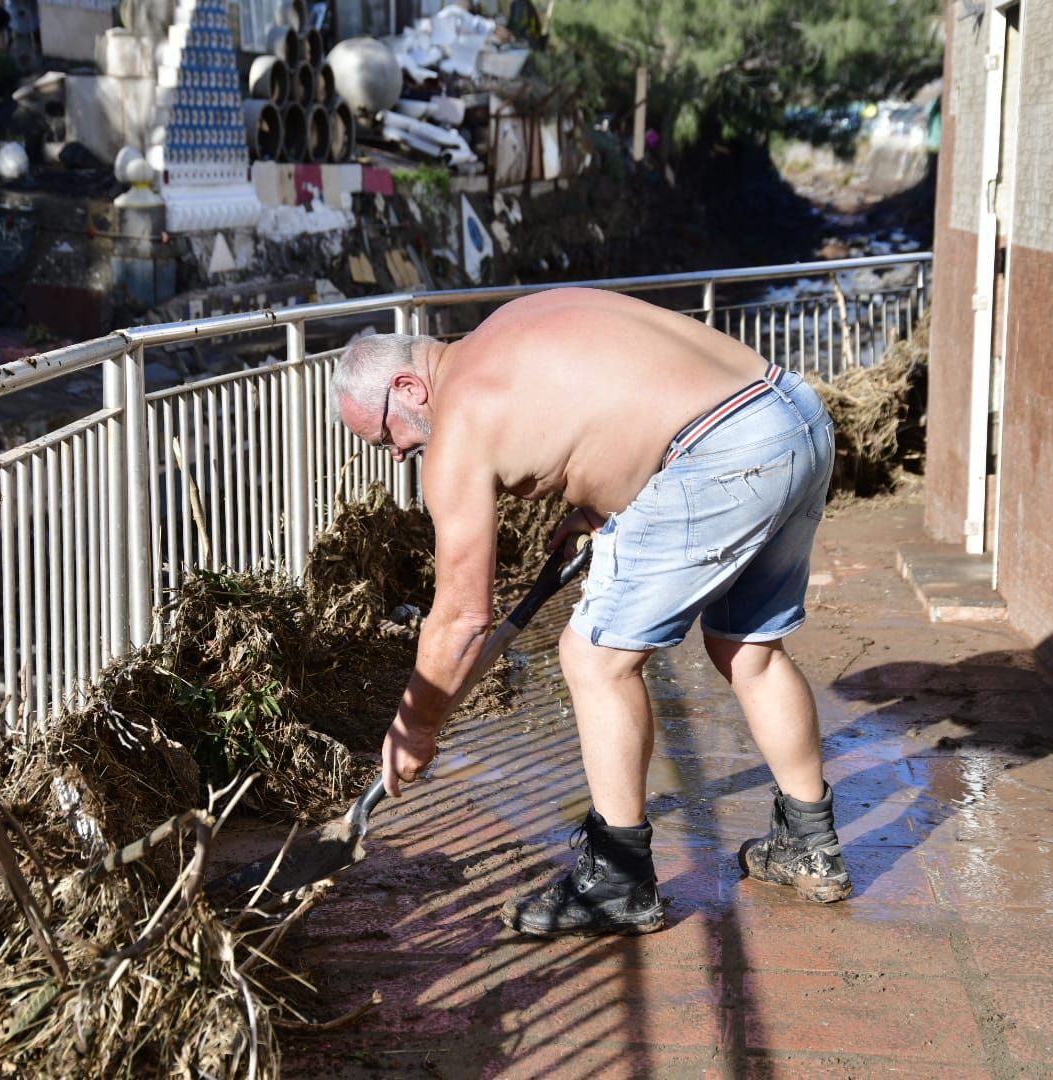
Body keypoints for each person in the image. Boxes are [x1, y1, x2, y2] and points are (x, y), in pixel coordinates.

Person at [332, 287, 847, 938]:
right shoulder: (505, 331)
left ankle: (617, 881)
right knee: (748, 647)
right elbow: (624, 399)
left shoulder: (459, 419)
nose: (400, 454)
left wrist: (414, 727)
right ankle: (810, 846)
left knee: (595, 658)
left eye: (387, 437)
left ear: (407, 387)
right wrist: (601, 501)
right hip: (791, 414)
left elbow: (461, 618)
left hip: (723, 454)